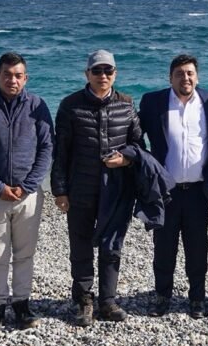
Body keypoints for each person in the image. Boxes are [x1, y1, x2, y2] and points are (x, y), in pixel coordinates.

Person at [51, 50, 144, 327]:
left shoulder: (127, 104)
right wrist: (60, 190)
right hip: (80, 187)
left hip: (117, 188)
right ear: (87, 74)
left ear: (115, 74)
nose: (103, 75)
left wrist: (125, 158)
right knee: (80, 245)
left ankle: (108, 300)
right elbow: (61, 151)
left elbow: (138, 145)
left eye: (108, 71)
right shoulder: (70, 105)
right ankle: (83, 299)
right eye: (97, 70)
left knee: (112, 245)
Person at [0, 52, 53, 333]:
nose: (12, 80)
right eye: (7, 74)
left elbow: (47, 148)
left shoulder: (37, 106)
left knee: (25, 253)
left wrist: (28, 185)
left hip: (29, 195)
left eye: (18, 75)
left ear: (25, 78)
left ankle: (22, 304)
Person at [138, 54, 208, 319]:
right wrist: (144, 166)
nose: (185, 78)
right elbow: (135, 135)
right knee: (164, 245)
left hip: (198, 190)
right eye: (180, 73)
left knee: (197, 246)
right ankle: (162, 296)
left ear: (197, 76)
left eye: (190, 73)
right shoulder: (153, 102)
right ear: (170, 77)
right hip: (166, 190)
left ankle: (197, 298)